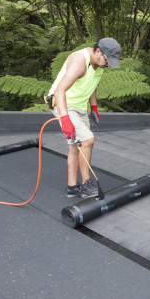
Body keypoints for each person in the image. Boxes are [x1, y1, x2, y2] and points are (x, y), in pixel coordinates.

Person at [48, 37, 121, 198]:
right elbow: (59, 91)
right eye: (107, 61)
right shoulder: (80, 61)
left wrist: (93, 107)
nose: (108, 65)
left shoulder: (100, 63)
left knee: (76, 146)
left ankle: (72, 186)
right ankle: (87, 184)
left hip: (79, 106)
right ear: (98, 52)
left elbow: (92, 85)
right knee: (87, 141)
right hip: (62, 103)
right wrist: (65, 119)